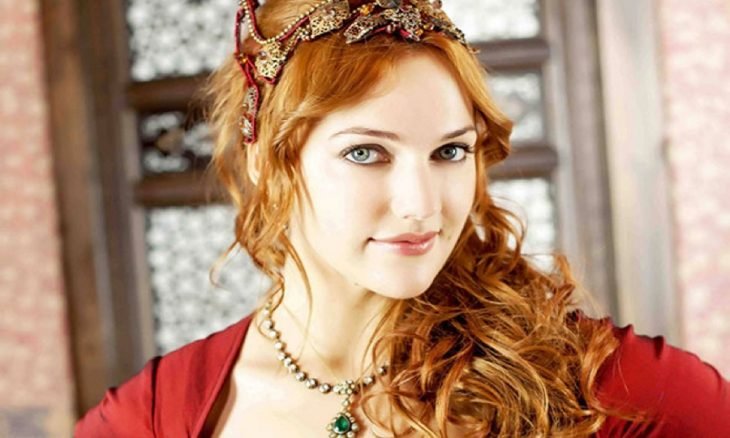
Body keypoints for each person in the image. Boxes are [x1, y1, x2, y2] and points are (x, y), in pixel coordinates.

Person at [75, 0, 730, 436]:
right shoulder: (152, 420)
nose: (421, 204)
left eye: (450, 151)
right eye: (366, 153)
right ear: (268, 161)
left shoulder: (591, 382)